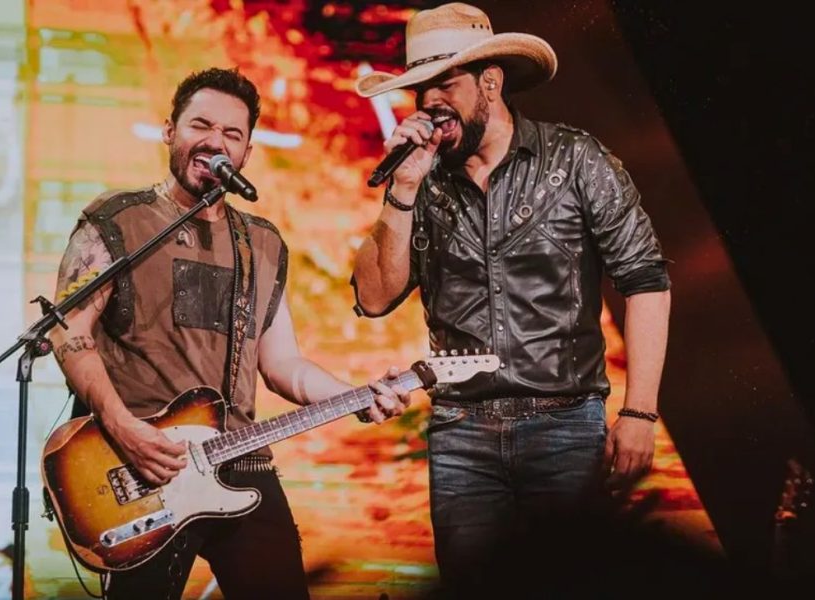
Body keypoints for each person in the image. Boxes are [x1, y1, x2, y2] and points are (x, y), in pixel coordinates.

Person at [48, 67, 410, 600]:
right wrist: (123, 427)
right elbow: (68, 332)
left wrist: (355, 396)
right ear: (170, 130)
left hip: (240, 459)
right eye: (201, 125)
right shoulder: (117, 219)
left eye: (232, 134)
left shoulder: (262, 243)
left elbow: (284, 365)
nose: (214, 141)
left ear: (245, 154)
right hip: (140, 462)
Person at [351, 3, 671, 597]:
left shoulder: (575, 160)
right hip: (461, 432)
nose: (429, 102)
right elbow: (373, 299)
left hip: (564, 425)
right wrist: (401, 191)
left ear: (490, 82)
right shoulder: (423, 182)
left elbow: (646, 281)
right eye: (421, 88)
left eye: (444, 83)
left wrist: (639, 413)